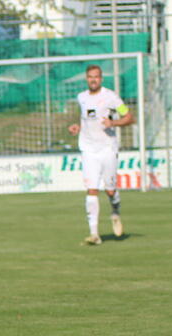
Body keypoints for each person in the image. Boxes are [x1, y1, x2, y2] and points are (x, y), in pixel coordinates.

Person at [67, 65, 135, 246]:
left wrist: (114, 122)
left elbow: (129, 117)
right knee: (91, 190)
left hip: (107, 149)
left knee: (110, 190)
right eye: (90, 77)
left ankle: (115, 211)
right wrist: (78, 127)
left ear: (101, 78)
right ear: (86, 79)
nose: (93, 80)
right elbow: (86, 119)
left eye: (96, 77)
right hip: (89, 150)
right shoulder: (81, 97)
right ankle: (94, 234)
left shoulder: (111, 97)